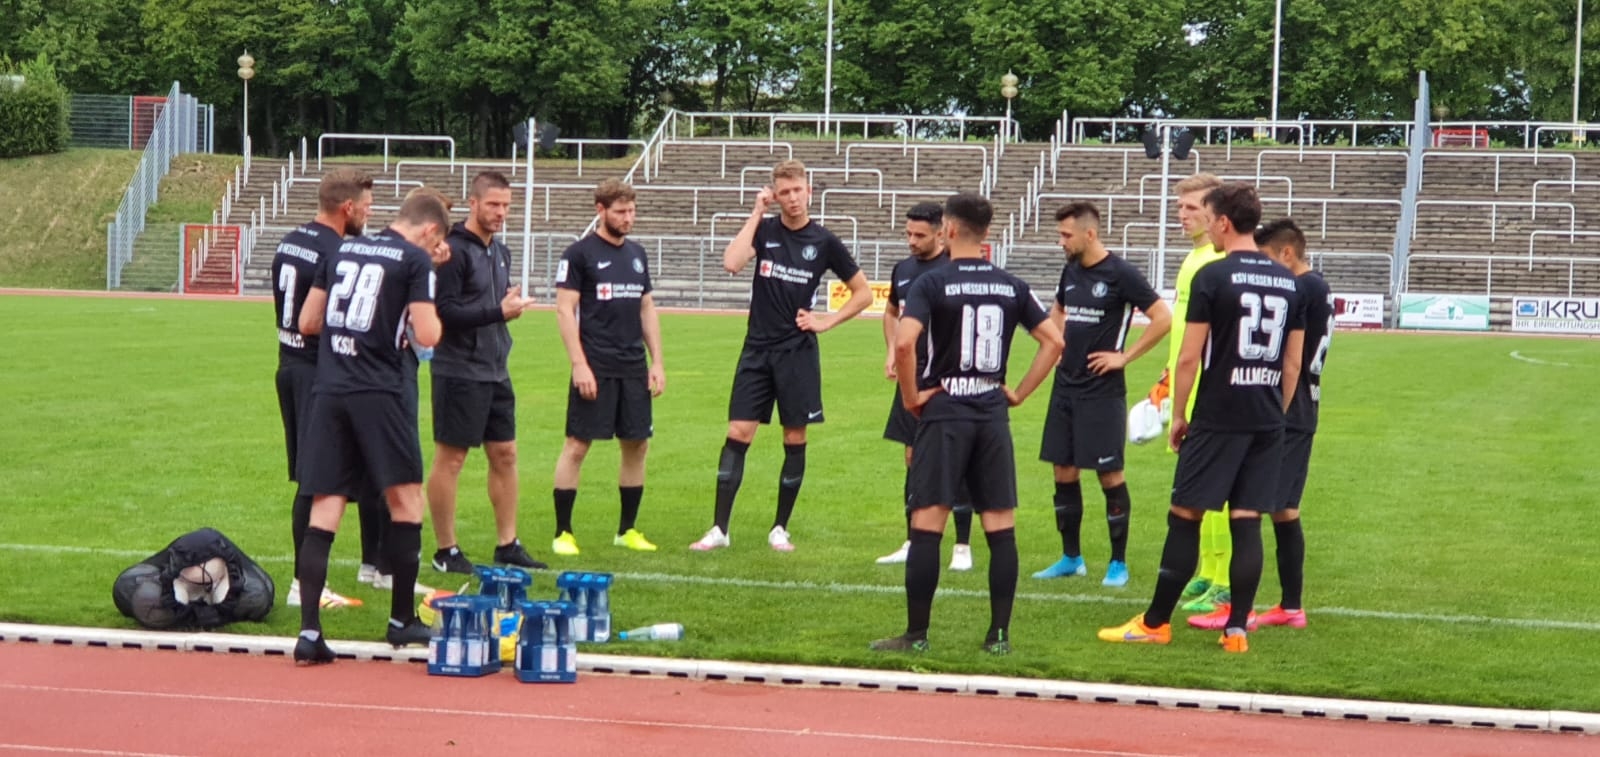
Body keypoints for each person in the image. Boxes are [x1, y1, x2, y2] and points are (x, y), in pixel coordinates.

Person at [1098, 183, 1304, 654]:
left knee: (1185, 514)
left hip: (1218, 414)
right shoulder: (1287, 281)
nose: (1207, 228)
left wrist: (1179, 414)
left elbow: (1189, 357)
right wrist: (1276, 411)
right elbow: (1292, 364)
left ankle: (1155, 623)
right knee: (1247, 519)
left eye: (1209, 220)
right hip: (1267, 417)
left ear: (1224, 223)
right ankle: (1236, 631)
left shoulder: (1214, 275)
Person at [870, 193, 1064, 655]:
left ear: (949, 230)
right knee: (1000, 527)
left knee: (927, 523)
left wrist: (912, 397)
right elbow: (1055, 342)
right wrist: (1018, 392)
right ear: (987, 233)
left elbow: (904, 344)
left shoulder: (931, 282)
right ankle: (999, 636)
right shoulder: (1012, 285)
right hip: (991, 413)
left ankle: (916, 635)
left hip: (945, 411)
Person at [292, 191, 456, 664]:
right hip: (381, 390)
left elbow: (308, 321)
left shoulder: (342, 248)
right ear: (429, 230)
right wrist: (425, 286)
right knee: (407, 500)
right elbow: (428, 334)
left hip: (331, 389)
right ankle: (401, 620)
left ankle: (309, 631)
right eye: (435, 244)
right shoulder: (415, 260)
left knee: (325, 506)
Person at [690, 159, 873, 552]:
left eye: (797, 190)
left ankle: (779, 528)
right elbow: (731, 262)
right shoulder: (765, 230)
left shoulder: (824, 241)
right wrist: (757, 212)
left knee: (794, 436)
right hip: (756, 349)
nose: (792, 198)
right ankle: (720, 529)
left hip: (797, 353)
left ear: (809, 191)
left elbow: (863, 293)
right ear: (775, 195)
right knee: (738, 432)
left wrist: (828, 320)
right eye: (784, 192)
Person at [1032, 202, 1171, 586]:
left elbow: (1162, 317)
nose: (1061, 242)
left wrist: (1124, 356)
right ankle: (1071, 557)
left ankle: (1117, 562)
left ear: (1089, 234)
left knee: (1109, 474)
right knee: (1063, 470)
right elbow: (1058, 310)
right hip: (1066, 386)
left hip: (1102, 391)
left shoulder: (1121, 273)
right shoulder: (1071, 269)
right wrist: (1056, 345)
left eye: (1066, 235)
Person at [270, 167, 379, 610]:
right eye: (366, 208)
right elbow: (321, 320)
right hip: (317, 371)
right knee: (316, 480)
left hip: (289, 364)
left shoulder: (290, 239)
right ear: (348, 207)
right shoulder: (337, 250)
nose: (368, 216)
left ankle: (372, 565)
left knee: (322, 474)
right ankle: (305, 584)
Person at [425, 171, 543, 575]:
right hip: (458, 369)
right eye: (493, 204)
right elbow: (444, 312)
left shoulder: (500, 251)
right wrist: (497, 311)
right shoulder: (453, 251)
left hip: (495, 368)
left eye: (506, 205)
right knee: (452, 459)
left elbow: (489, 309)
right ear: (473, 203)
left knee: (506, 454)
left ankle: (507, 543)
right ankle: (446, 550)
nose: (501, 212)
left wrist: (506, 308)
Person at [550, 179, 666, 555]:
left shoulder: (637, 254)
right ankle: (563, 533)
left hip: (632, 366)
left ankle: (627, 530)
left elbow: (646, 307)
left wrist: (657, 361)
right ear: (600, 210)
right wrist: (578, 364)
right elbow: (564, 310)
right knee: (577, 445)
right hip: (595, 365)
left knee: (637, 444)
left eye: (632, 211)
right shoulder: (578, 254)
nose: (628, 218)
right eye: (620, 212)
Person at [1239, 218, 1329, 630]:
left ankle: (1241, 608)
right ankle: (1290, 606)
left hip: (1288, 411)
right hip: (1302, 409)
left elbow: (1288, 357)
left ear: (1287, 254)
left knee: (1253, 507)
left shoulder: (1302, 288)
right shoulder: (1316, 286)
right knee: (1282, 509)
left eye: (1266, 258)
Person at [875, 202, 975, 572]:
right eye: (908, 234)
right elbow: (892, 312)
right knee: (912, 458)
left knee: (956, 460)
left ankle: (962, 546)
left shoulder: (954, 269)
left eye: (920, 235)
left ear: (940, 233)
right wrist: (892, 349)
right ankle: (913, 540)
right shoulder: (903, 269)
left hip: (949, 379)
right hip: (912, 377)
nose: (912, 241)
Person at [1162, 173, 1235, 613]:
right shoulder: (1194, 259)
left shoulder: (1215, 262)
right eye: (1180, 207)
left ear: (1214, 213)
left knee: (1216, 489)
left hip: (1208, 392)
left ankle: (1224, 578)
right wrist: (1168, 375)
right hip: (1185, 389)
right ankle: (1207, 570)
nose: (1183, 214)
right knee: (1196, 488)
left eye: (1192, 207)